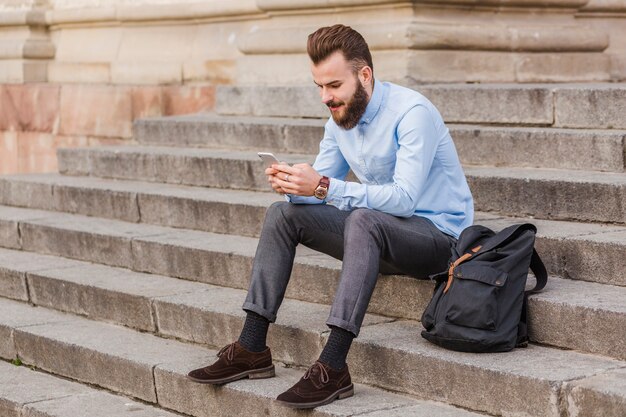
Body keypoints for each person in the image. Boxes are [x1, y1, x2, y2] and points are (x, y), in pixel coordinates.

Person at [187, 24, 474, 409]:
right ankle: (251, 347)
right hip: (379, 236)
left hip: (438, 239)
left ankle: (333, 365)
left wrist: (322, 186)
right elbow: (322, 189)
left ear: (364, 75)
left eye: (334, 85)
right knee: (282, 215)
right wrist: (294, 186)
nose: (326, 97)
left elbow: (403, 200)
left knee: (363, 218)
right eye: (320, 87)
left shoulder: (412, 113)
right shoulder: (339, 119)